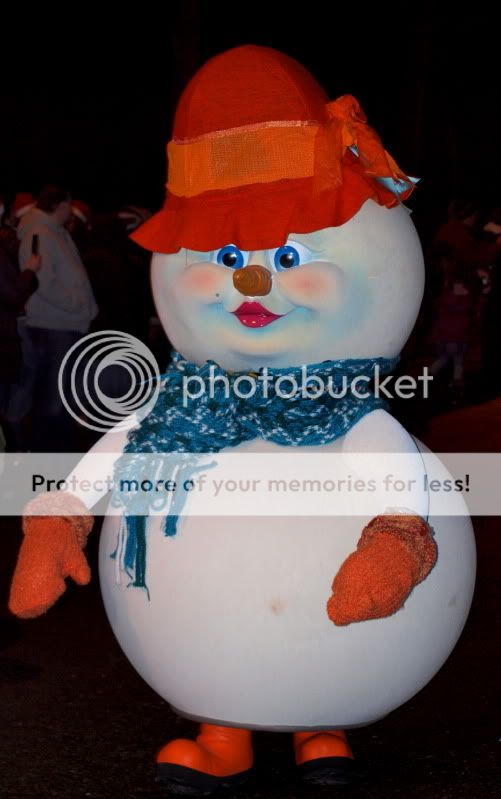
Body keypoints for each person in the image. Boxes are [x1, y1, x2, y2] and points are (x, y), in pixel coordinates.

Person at [6, 186, 97, 450]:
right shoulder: (40, 232)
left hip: (63, 323)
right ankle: (51, 452)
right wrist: (79, 305)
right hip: (54, 325)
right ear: (60, 205)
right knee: (53, 396)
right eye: (68, 205)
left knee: (60, 391)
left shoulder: (53, 231)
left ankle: (56, 446)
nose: (71, 210)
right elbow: (43, 282)